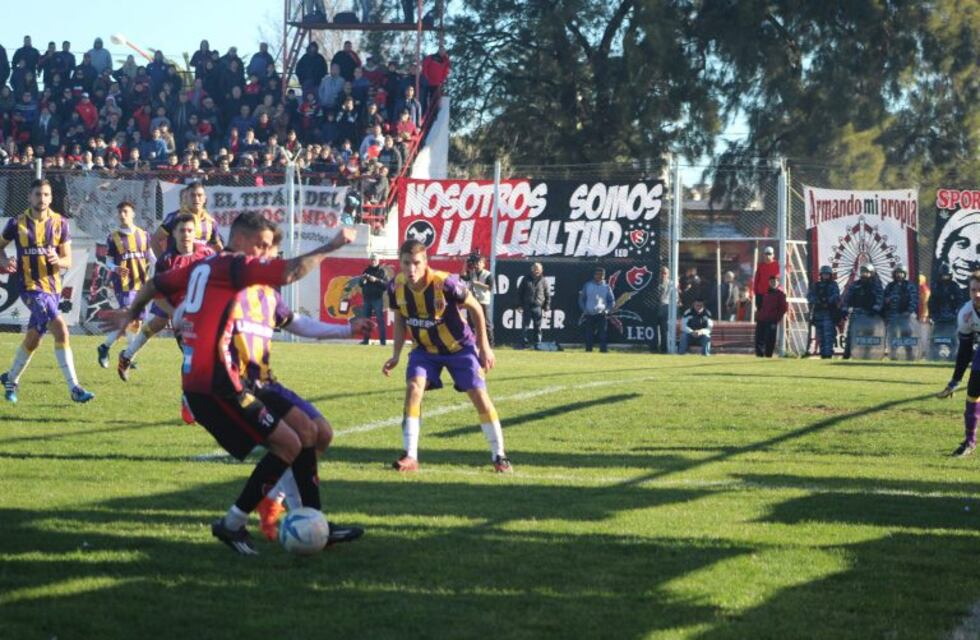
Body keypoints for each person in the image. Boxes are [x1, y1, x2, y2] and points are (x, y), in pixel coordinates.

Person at [108, 213, 357, 555]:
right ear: (239, 240)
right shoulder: (233, 265)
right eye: (262, 245)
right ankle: (234, 523)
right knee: (288, 444)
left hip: (241, 378)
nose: (265, 254)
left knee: (312, 433)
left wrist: (132, 312)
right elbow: (289, 272)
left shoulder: (205, 268)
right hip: (218, 381)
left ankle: (314, 522)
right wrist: (332, 245)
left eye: (270, 248)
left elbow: (156, 285)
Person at [227, 234, 374, 542]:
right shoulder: (228, 286)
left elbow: (298, 324)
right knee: (304, 434)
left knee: (323, 432)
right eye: (267, 250)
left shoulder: (269, 294)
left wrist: (346, 329)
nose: (273, 258)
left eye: (275, 251)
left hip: (267, 382)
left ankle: (278, 500)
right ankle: (311, 518)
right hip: (242, 386)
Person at [382, 239, 511, 473]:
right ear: (399, 262)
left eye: (416, 263)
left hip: (459, 348)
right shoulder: (395, 287)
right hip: (424, 350)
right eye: (406, 263)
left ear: (425, 262)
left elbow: (476, 308)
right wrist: (396, 354)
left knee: (478, 395)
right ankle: (410, 455)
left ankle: (499, 456)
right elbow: (400, 318)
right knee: (414, 388)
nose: (411, 269)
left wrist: (484, 347)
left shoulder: (446, 282)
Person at [0, 179, 94, 404]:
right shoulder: (17, 223)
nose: (41, 199)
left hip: (53, 288)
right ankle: (75, 388)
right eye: (37, 194)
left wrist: (58, 260)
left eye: (45, 195)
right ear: (29, 197)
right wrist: (4, 262)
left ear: (51, 198)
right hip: (30, 288)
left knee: (34, 338)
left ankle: (10, 378)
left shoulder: (60, 223)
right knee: (61, 329)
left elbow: (68, 260)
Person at [117, 213, 214, 383]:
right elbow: (157, 296)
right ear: (174, 234)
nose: (186, 234)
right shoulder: (166, 262)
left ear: (195, 233)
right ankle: (194, 392)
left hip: (204, 314)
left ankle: (126, 355)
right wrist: (175, 313)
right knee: (193, 356)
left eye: (190, 230)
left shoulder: (207, 254)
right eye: (182, 231)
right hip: (181, 313)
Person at [97, 201, 151, 368]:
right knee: (130, 318)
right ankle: (128, 356)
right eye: (120, 212)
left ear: (133, 214)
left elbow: (152, 257)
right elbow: (109, 262)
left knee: (135, 322)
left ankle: (105, 347)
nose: (122, 215)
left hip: (142, 284)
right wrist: (116, 268)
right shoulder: (113, 237)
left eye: (126, 211)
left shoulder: (143, 235)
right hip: (124, 285)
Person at [937, 271, 980, 457]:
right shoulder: (966, 313)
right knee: (973, 391)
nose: (977, 294)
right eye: (974, 290)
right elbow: (964, 351)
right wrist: (955, 381)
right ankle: (970, 442)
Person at [151, 182, 222, 256]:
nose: (196, 199)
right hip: (179, 265)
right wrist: (162, 261)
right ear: (186, 198)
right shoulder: (175, 217)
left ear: (205, 199)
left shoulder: (210, 221)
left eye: (199, 195)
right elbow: (155, 240)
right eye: (192, 195)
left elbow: (217, 245)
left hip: (200, 264)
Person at [842, 263, 884, 359]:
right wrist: (845, 308)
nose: (864, 274)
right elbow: (847, 298)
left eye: (867, 272)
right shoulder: (855, 285)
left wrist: (876, 308)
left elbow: (880, 298)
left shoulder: (876, 285)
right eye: (863, 272)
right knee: (851, 334)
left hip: (871, 314)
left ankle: (867, 355)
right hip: (857, 312)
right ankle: (847, 355)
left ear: (872, 273)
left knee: (868, 335)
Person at [930, 263, 968, 360]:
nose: (945, 278)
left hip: (952, 318)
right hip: (939, 318)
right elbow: (932, 302)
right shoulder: (936, 287)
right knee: (935, 338)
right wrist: (934, 315)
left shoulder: (955, 286)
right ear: (940, 275)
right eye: (943, 275)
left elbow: (960, 302)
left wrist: (956, 313)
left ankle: (955, 356)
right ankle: (934, 356)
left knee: (955, 339)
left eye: (947, 275)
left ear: (951, 275)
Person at [882, 264, 919, 360]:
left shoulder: (909, 286)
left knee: (906, 335)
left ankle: (909, 355)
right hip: (892, 315)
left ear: (904, 274)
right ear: (894, 274)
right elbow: (884, 300)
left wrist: (909, 311)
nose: (899, 275)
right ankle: (893, 356)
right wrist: (887, 303)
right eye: (897, 273)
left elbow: (914, 299)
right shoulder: (890, 286)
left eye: (901, 273)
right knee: (892, 336)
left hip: (905, 315)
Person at [807, 265, 842, 359]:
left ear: (830, 275)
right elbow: (810, 297)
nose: (825, 276)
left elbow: (836, 296)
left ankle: (828, 354)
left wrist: (827, 301)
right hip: (818, 313)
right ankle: (823, 355)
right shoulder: (816, 285)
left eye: (827, 274)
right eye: (824, 274)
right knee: (821, 336)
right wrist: (818, 302)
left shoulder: (833, 284)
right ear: (821, 275)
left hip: (829, 313)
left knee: (828, 335)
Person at [579, 267, 615, 353]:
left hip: (602, 315)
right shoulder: (587, 285)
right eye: (598, 274)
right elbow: (581, 299)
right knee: (589, 335)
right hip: (589, 314)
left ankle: (603, 351)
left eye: (601, 275)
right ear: (594, 275)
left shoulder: (607, 287)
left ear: (604, 276)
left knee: (603, 335)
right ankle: (588, 351)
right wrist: (584, 310)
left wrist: (606, 311)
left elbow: (611, 301)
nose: (599, 276)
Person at [461, 252, 494, 346]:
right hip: (473, 301)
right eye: (477, 262)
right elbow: (462, 275)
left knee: (487, 323)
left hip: (484, 301)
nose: (478, 264)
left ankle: (491, 343)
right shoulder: (472, 273)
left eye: (480, 263)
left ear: (483, 264)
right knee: (471, 323)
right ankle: (473, 343)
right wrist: (465, 263)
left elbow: (490, 287)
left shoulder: (488, 274)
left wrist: (477, 283)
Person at [518, 262, 550, 348]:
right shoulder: (525, 279)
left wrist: (546, 308)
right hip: (527, 306)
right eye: (535, 269)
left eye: (538, 269)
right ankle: (523, 344)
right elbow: (520, 293)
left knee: (538, 327)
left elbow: (547, 294)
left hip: (538, 307)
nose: (537, 271)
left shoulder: (544, 280)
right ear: (532, 269)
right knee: (525, 326)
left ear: (541, 270)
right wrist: (519, 305)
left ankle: (537, 344)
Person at [755, 274, 788, 357]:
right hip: (762, 319)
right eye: (771, 281)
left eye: (775, 281)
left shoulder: (780, 294)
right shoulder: (765, 292)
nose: (773, 283)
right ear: (769, 282)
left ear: (778, 282)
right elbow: (760, 306)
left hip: (771, 320)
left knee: (770, 339)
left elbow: (783, 308)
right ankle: (759, 355)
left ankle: (768, 355)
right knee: (759, 338)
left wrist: (776, 318)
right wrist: (759, 315)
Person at [359, 253, 388, 346]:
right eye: (371, 259)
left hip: (377, 299)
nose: (373, 261)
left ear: (378, 261)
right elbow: (360, 284)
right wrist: (362, 281)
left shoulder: (382, 272)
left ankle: (383, 342)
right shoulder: (366, 270)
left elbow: (386, 285)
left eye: (375, 260)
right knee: (366, 321)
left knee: (380, 320)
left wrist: (375, 280)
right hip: (367, 299)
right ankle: (366, 340)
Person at [753, 246, 780, 312]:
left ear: (773, 255)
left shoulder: (778, 265)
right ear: (764, 255)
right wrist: (755, 291)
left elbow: (786, 271)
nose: (768, 256)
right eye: (766, 254)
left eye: (769, 254)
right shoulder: (761, 266)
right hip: (761, 293)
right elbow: (757, 278)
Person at [652, 266, 671, 353]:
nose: (663, 275)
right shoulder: (655, 284)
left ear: (668, 274)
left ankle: (664, 349)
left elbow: (675, 298)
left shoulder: (672, 284)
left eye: (665, 273)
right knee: (654, 330)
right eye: (662, 273)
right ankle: (654, 348)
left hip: (666, 309)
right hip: (656, 309)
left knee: (664, 331)